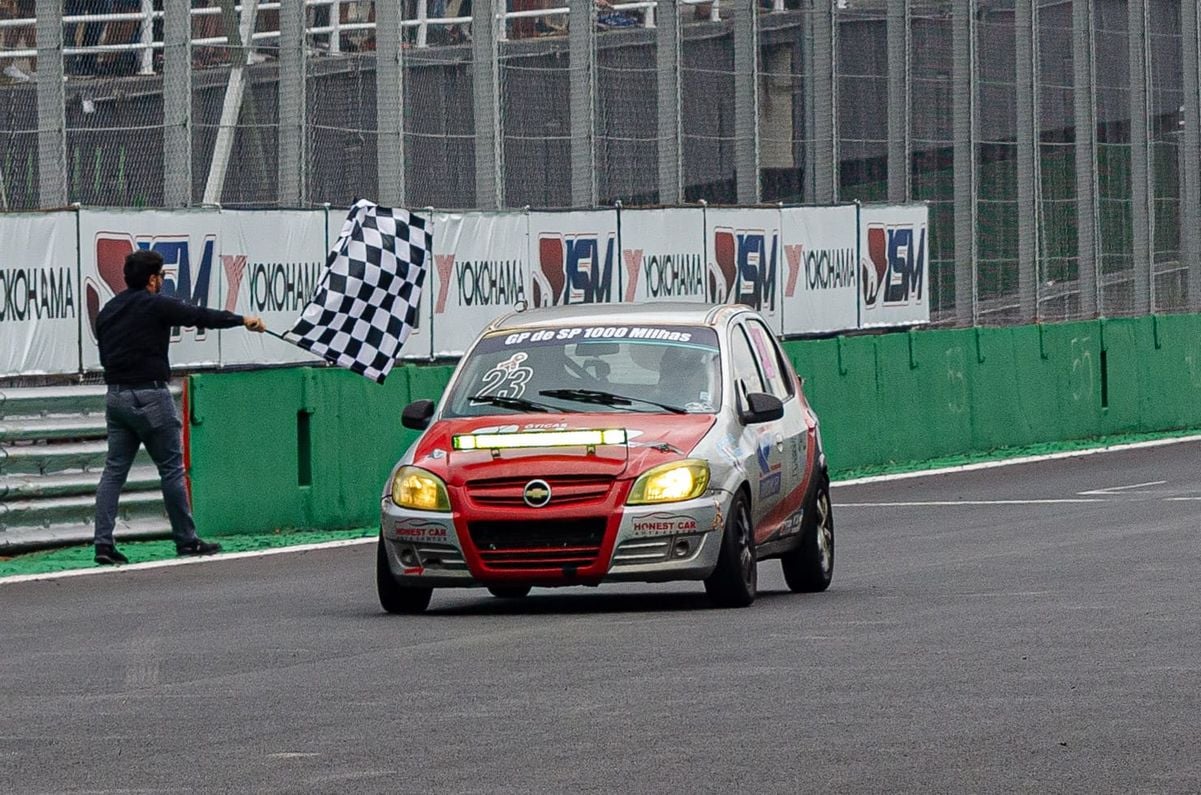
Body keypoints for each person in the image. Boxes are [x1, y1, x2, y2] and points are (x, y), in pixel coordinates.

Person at [93, 249, 266, 565]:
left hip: (116, 396)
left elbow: (105, 355)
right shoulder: (156, 305)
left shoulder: (108, 311)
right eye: (160, 277)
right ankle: (186, 540)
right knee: (171, 469)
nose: (161, 282)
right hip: (152, 395)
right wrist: (242, 320)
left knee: (114, 471)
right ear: (152, 279)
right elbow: (199, 316)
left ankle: (102, 544)